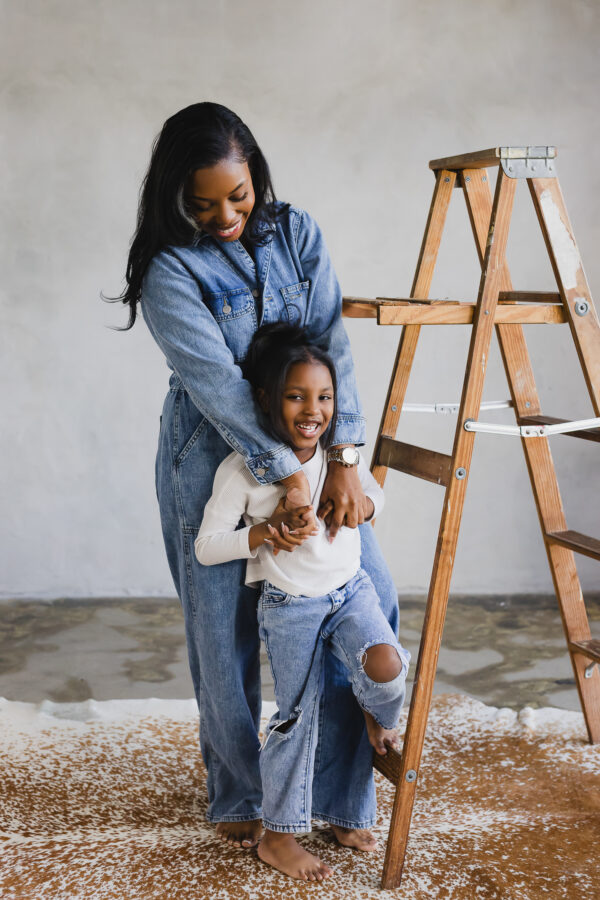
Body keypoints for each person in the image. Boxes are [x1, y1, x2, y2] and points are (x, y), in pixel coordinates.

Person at [116, 101, 401, 851]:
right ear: (173, 194)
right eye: (202, 203)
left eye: (237, 196)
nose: (224, 215)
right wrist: (286, 476)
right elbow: (217, 385)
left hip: (316, 441)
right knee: (225, 634)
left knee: (360, 602)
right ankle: (243, 794)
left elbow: (331, 344)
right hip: (212, 456)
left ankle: (341, 798)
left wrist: (341, 459)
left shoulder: (297, 232)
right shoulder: (168, 269)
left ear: (256, 177)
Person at [195, 324, 410, 881]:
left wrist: (361, 504)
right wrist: (264, 532)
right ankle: (282, 834)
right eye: (296, 396)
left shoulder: (340, 459)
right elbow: (207, 546)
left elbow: (374, 495)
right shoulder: (244, 470)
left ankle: (376, 716)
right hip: (291, 607)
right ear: (266, 400)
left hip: (350, 593)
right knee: (298, 716)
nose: (312, 410)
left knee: (384, 666)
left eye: (324, 397)